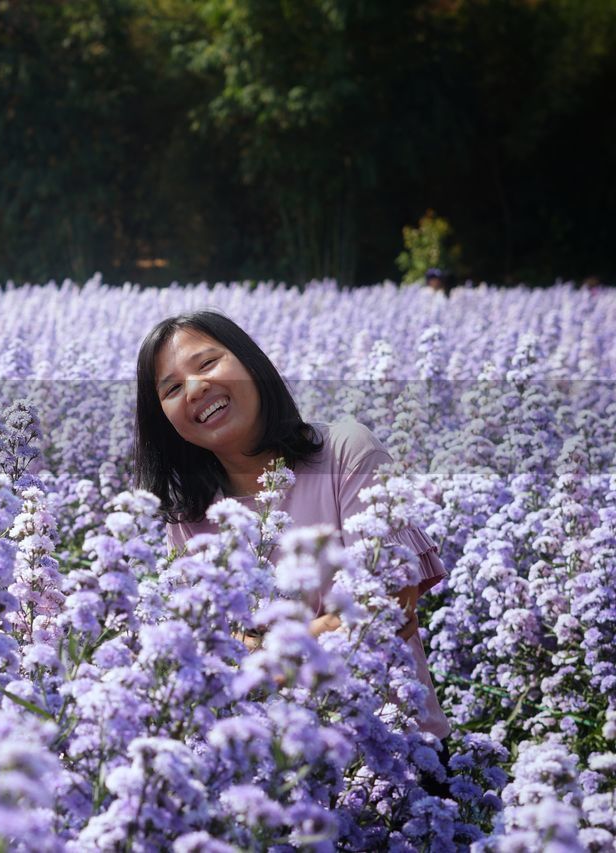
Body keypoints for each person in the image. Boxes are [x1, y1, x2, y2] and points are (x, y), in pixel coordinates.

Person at [134, 310, 453, 791]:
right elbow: (206, 657)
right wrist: (324, 629)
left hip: (391, 757)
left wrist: (260, 652)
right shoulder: (189, 517)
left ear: (252, 365)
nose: (195, 389)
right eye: (171, 389)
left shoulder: (346, 450)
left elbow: (387, 612)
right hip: (268, 777)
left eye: (208, 363)